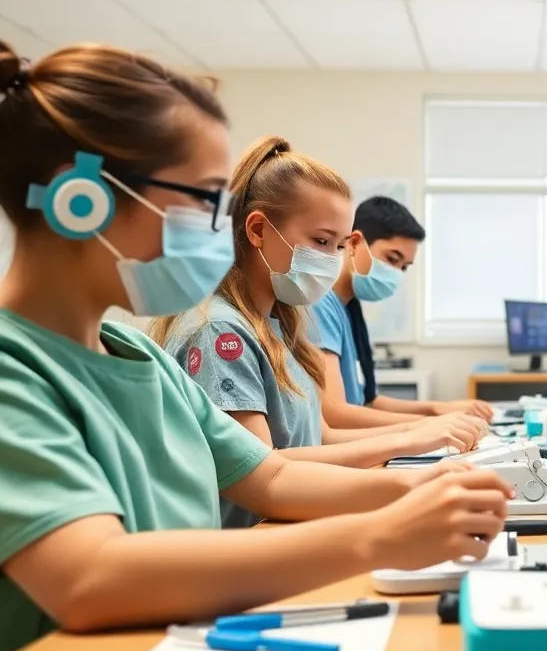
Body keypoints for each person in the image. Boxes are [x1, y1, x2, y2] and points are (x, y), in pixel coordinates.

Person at [0, 41, 511, 651]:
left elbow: (271, 475)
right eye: (201, 199)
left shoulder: (143, 359)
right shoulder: (14, 370)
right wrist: (378, 537)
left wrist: (429, 492)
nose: (218, 227)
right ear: (80, 197)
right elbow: (89, 577)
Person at [152, 138, 487, 527]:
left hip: (290, 527)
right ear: (258, 230)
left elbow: (321, 436)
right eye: (322, 241)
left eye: (340, 246)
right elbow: (266, 469)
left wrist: (427, 433)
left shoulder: (280, 325)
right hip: (244, 544)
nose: (332, 260)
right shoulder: (218, 333)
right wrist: (410, 444)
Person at [311, 195, 493, 423]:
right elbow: (336, 414)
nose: (395, 272)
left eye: (404, 267)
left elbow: (368, 401)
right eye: (392, 258)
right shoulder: (320, 303)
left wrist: (439, 408)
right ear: (354, 243)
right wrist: (432, 424)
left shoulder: (350, 308)